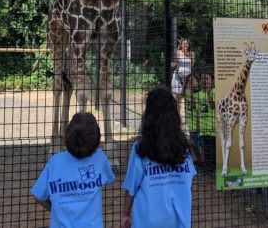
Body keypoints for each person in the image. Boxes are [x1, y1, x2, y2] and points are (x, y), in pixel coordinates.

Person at [121, 88, 196, 228]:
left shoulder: (140, 148)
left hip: (147, 222)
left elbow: (131, 187)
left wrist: (125, 214)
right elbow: (189, 178)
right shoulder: (184, 147)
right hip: (179, 222)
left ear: (148, 114)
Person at [31, 112, 115, 228]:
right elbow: (109, 178)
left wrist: (56, 209)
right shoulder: (100, 158)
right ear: (96, 141)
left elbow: (39, 196)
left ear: (67, 136)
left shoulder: (55, 162)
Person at [198, 71, 216, 174]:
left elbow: (213, 106)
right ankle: (208, 169)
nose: (205, 81)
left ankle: (213, 169)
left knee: (213, 150)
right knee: (206, 150)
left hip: (213, 128)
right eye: (203, 79)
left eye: (207, 79)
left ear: (212, 81)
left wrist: (208, 93)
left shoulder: (215, 91)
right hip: (203, 128)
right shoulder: (198, 93)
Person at [171, 38, 195, 106]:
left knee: (187, 98)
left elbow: (191, 65)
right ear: (181, 44)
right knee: (177, 99)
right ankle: (176, 114)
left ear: (189, 45)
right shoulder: (177, 52)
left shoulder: (192, 53)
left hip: (187, 79)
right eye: (184, 43)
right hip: (178, 78)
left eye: (187, 43)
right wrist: (173, 65)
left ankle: (187, 109)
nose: (185, 45)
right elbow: (172, 63)